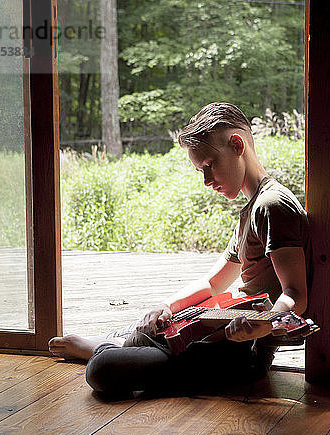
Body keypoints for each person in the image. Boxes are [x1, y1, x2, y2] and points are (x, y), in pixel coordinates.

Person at [48, 102, 311, 394]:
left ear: (237, 145)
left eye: (209, 165)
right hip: (216, 335)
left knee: (102, 370)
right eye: (201, 170)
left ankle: (107, 347)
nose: (207, 181)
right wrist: (166, 307)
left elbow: (295, 294)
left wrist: (265, 324)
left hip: (239, 354)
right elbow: (214, 283)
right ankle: (126, 344)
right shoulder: (251, 209)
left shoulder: (272, 205)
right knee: (150, 328)